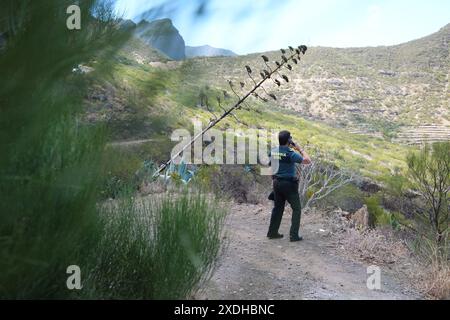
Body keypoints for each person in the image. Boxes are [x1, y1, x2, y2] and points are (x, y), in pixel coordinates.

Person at [267, 130, 311, 242]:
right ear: (289, 140)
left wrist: (273, 178)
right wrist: (300, 149)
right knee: (296, 209)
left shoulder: (273, 151)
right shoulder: (290, 153)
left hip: (277, 183)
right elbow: (307, 160)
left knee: (278, 208)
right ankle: (293, 235)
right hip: (289, 184)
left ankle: (272, 232)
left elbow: (269, 165)